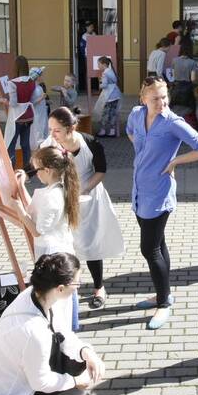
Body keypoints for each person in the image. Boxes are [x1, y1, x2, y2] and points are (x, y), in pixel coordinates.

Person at [0, 252, 106, 395]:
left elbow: (64, 333)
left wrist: (87, 352)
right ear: (60, 288)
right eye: (77, 283)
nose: (79, 286)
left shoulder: (36, 294)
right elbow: (41, 382)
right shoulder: (34, 330)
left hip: (2, 388)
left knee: (79, 361)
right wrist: (74, 381)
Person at [126, 77, 198, 329]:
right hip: (139, 190)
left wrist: (175, 161)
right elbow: (131, 133)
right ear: (143, 98)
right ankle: (164, 293)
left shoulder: (173, 122)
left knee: (149, 249)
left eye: (164, 97)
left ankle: (163, 304)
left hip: (159, 192)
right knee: (158, 244)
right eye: (155, 98)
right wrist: (144, 154)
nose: (161, 102)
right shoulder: (135, 114)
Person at [41, 106, 124, 310]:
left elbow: (101, 170)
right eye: (50, 129)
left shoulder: (90, 142)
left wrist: (83, 189)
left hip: (89, 198)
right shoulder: (50, 144)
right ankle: (68, 290)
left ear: (71, 128)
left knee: (90, 244)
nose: (52, 134)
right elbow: (38, 166)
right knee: (66, 245)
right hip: (62, 200)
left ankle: (99, 288)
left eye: (57, 130)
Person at [13, 145, 82, 328]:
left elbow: (37, 230)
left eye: (36, 170)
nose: (35, 174)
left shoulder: (53, 197)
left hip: (55, 253)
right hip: (55, 249)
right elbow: (34, 210)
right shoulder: (53, 189)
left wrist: (19, 211)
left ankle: (60, 330)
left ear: (48, 170)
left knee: (57, 299)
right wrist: (20, 187)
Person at [4, 56, 47, 172]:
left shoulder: (12, 83)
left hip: (17, 117)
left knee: (11, 145)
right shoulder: (31, 82)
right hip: (28, 115)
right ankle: (28, 171)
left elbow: (13, 103)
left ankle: (11, 171)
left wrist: (4, 101)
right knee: (25, 144)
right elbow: (32, 100)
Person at [171, 40, 198, 129]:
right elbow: (193, 79)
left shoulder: (174, 60)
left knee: (174, 109)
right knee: (190, 109)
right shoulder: (192, 62)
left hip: (176, 87)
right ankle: (191, 128)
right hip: (187, 88)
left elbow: (172, 75)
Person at [94, 56, 122, 137]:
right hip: (116, 94)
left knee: (105, 113)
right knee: (113, 113)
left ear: (104, 64)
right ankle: (112, 131)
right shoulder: (111, 71)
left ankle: (102, 131)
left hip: (108, 95)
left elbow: (104, 85)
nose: (98, 66)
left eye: (99, 64)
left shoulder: (105, 73)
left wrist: (100, 84)